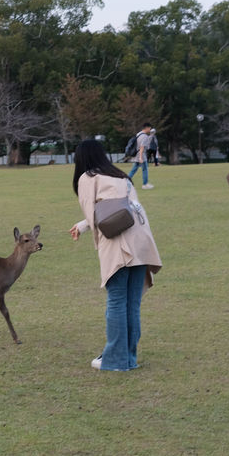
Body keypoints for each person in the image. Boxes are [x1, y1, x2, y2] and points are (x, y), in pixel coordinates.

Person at [69, 139, 162, 371]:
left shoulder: (87, 178)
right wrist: (82, 226)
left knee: (117, 302)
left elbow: (96, 215)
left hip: (119, 245)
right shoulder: (122, 177)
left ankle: (116, 360)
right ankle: (128, 358)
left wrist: (87, 227)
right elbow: (121, 209)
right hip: (141, 242)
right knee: (131, 303)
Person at [129, 122, 153, 189]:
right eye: (150, 128)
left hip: (137, 154)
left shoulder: (138, 134)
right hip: (141, 155)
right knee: (145, 169)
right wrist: (141, 157)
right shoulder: (144, 136)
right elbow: (142, 147)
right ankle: (145, 184)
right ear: (147, 128)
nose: (150, 130)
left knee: (134, 170)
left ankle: (125, 182)